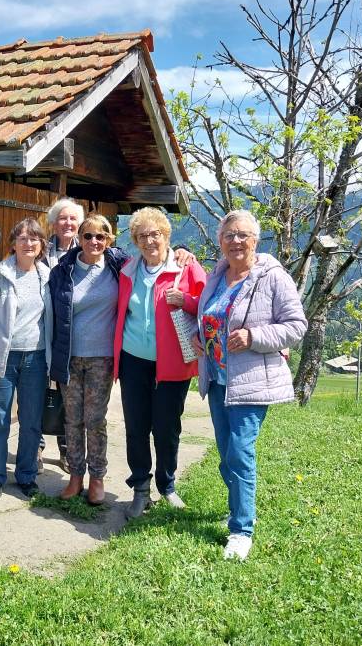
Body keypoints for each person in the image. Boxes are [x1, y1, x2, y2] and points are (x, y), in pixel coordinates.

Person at [190, 210, 307, 561]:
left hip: (251, 382)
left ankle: (241, 529)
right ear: (220, 241)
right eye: (229, 236)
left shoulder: (272, 277)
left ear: (255, 240)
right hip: (218, 379)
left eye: (242, 235)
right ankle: (241, 507)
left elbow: (296, 326)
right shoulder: (217, 275)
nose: (236, 241)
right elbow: (210, 318)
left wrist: (255, 335)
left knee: (240, 453)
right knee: (227, 457)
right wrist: (200, 338)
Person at [114, 206, 207, 519]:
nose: (149, 240)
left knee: (167, 428)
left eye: (155, 234)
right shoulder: (128, 270)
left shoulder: (186, 268)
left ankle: (167, 485)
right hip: (133, 362)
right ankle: (140, 488)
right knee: (136, 427)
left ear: (166, 236)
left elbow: (208, 309)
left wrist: (187, 300)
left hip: (173, 365)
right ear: (136, 241)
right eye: (142, 236)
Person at [49, 214, 128, 505]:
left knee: (94, 419)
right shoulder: (64, 270)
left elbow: (155, 257)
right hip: (69, 357)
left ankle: (97, 477)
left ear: (109, 240)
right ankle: (75, 476)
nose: (94, 242)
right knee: (72, 420)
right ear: (79, 239)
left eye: (101, 236)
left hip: (102, 358)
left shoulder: (120, 267)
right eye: (88, 236)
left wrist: (181, 253)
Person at [0, 217, 53, 500]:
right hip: (3, 360)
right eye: (22, 238)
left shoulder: (47, 274)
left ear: (42, 244)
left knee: (31, 421)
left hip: (37, 358)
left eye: (34, 238)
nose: (28, 243)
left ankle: (26, 476)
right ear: (13, 244)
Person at [40, 198, 85, 472]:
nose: (67, 223)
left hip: (73, 337)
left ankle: (68, 450)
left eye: (72, 219)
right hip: (42, 333)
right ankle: (36, 448)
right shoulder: (40, 250)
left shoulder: (87, 253)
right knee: (37, 393)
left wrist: (181, 251)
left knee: (70, 396)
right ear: (53, 223)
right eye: (62, 218)